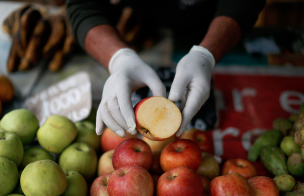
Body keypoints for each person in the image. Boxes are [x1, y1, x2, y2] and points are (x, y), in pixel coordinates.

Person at [66, 0, 266, 138]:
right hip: (140, 29)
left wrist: (208, 54)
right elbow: (83, 5)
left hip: (215, 25)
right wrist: (118, 58)